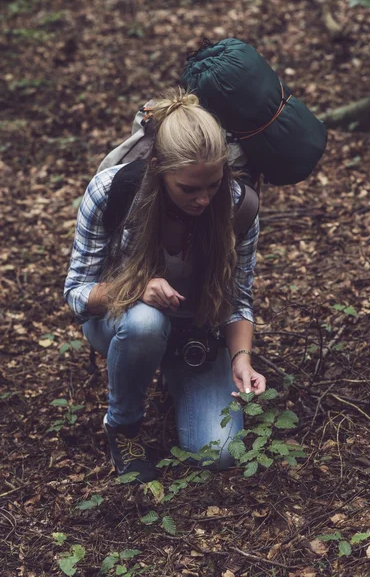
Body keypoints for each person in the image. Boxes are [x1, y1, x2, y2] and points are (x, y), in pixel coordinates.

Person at [64, 88, 266, 483]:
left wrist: (241, 359)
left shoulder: (240, 207)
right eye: (188, 188)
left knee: (218, 454)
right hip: (122, 323)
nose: (203, 200)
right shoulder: (111, 192)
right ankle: (123, 427)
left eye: (212, 185)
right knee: (144, 323)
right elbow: (76, 294)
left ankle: (179, 378)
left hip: (196, 332)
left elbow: (238, 299)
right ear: (158, 167)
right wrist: (136, 288)